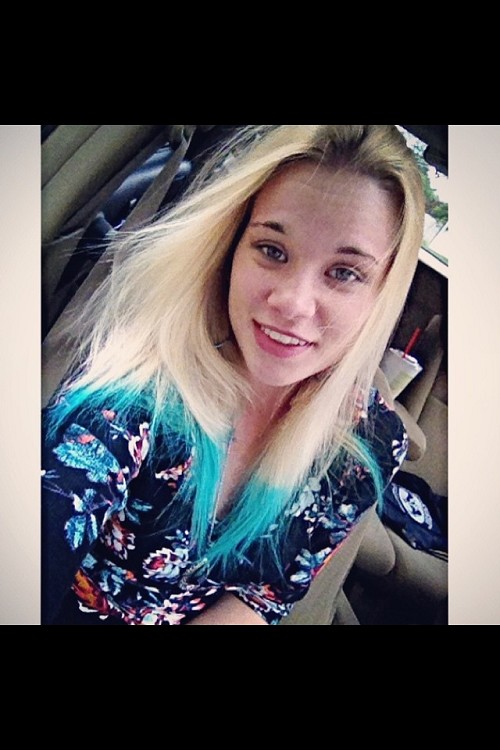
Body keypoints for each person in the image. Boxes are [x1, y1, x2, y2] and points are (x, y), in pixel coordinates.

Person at [41, 124, 425, 625]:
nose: (292, 302)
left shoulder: (368, 443)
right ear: (232, 247)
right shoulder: (125, 409)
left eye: (344, 273)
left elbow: (263, 596)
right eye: (272, 250)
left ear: (383, 293)